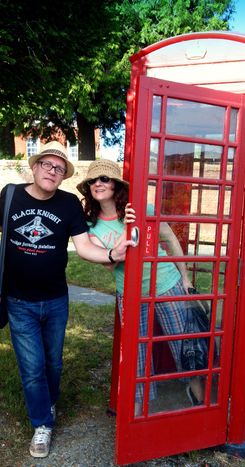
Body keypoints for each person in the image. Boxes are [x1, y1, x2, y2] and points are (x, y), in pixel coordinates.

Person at [0, 142, 133, 459]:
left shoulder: (69, 204)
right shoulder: (12, 194)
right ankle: (42, 424)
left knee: (53, 362)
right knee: (32, 368)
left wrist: (112, 254)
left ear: (63, 176)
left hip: (56, 300)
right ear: (34, 167)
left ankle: (48, 400)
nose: (52, 171)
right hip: (19, 301)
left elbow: (85, 247)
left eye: (59, 168)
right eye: (47, 164)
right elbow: (2, 225)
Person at [77, 159, 204, 415]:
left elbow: (169, 238)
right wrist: (126, 231)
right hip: (130, 293)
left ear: (115, 185)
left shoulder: (141, 208)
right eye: (93, 181)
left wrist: (186, 277)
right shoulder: (91, 225)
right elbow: (111, 264)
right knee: (136, 355)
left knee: (184, 343)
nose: (98, 184)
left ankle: (199, 404)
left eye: (104, 179)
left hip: (167, 283)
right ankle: (134, 416)